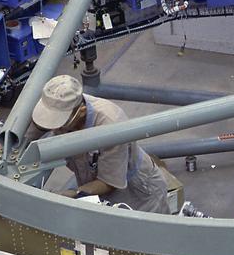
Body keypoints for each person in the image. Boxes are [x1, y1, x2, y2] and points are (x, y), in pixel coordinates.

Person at [25, 74, 171, 213]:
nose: (54, 128)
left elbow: (109, 182)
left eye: (58, 123)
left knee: (141, 229)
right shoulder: (62, 107)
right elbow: (38, 126)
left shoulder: (110, 125)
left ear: (81, 112)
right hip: (93, 183)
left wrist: (74, 193)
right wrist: (17, 142)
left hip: (137, 193)